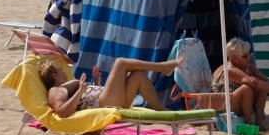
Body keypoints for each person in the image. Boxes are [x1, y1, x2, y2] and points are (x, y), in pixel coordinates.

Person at [41, 56, 182, 117]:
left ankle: (161, 109)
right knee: (120, 63)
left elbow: (86, 99)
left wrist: (96, 82)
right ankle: (162, 67)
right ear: (54, 76)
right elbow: (61, 112)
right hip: (105, 105)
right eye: (59, 70)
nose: (64, 71)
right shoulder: (55, 91)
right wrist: (80, 91)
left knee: (137, 75)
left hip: (108, 101)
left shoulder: (66, 85)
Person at [212, 37, 269, 127]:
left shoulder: (248, 67)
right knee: (247, 88)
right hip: (223, 105)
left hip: (234, 101)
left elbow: (268, 82)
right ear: (233, 58)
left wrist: (260, 81)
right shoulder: (229, 69)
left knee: (261, 87)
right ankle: (249, 123)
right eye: (245, 56)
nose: (249, 58)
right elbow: (254, 83)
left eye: (249, 54)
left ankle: (259, 123)